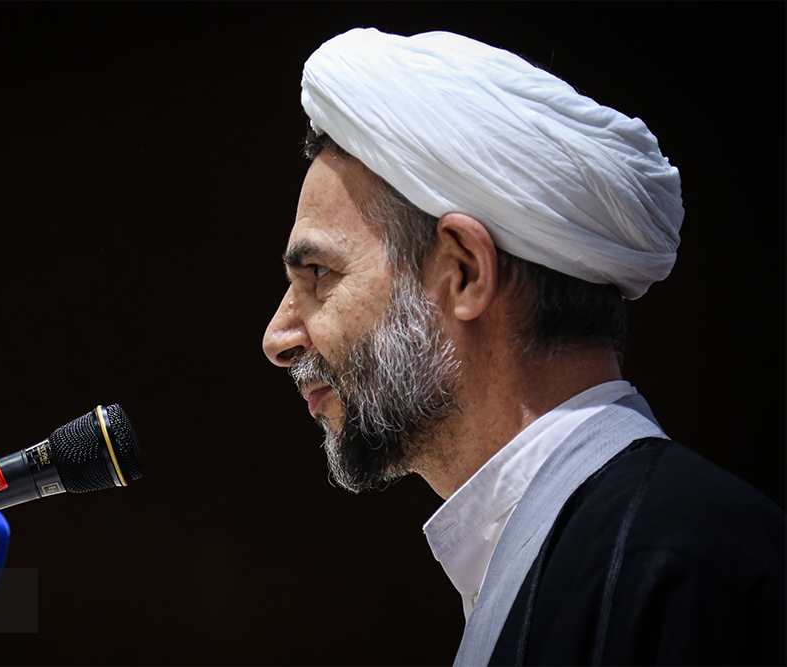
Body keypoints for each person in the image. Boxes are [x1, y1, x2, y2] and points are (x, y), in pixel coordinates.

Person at [261, 28, 785, 666]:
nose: (278, 338)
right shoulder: (597, 554)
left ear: (465, 273)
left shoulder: (684, 571)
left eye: (319, 274)